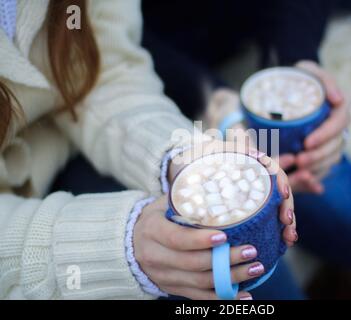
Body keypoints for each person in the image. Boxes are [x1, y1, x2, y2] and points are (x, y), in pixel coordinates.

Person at [0, 0, 300, 300]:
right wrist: (119, 247)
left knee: (247, 258)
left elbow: (105, 74)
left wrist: (179, 153)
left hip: (71, 146)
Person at [141, 0, 351, 291]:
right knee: (280, 205)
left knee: (313, 171)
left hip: (257, 38)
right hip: (162, 90)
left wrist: (297, 63)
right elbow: (120, 52)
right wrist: (211, 97)